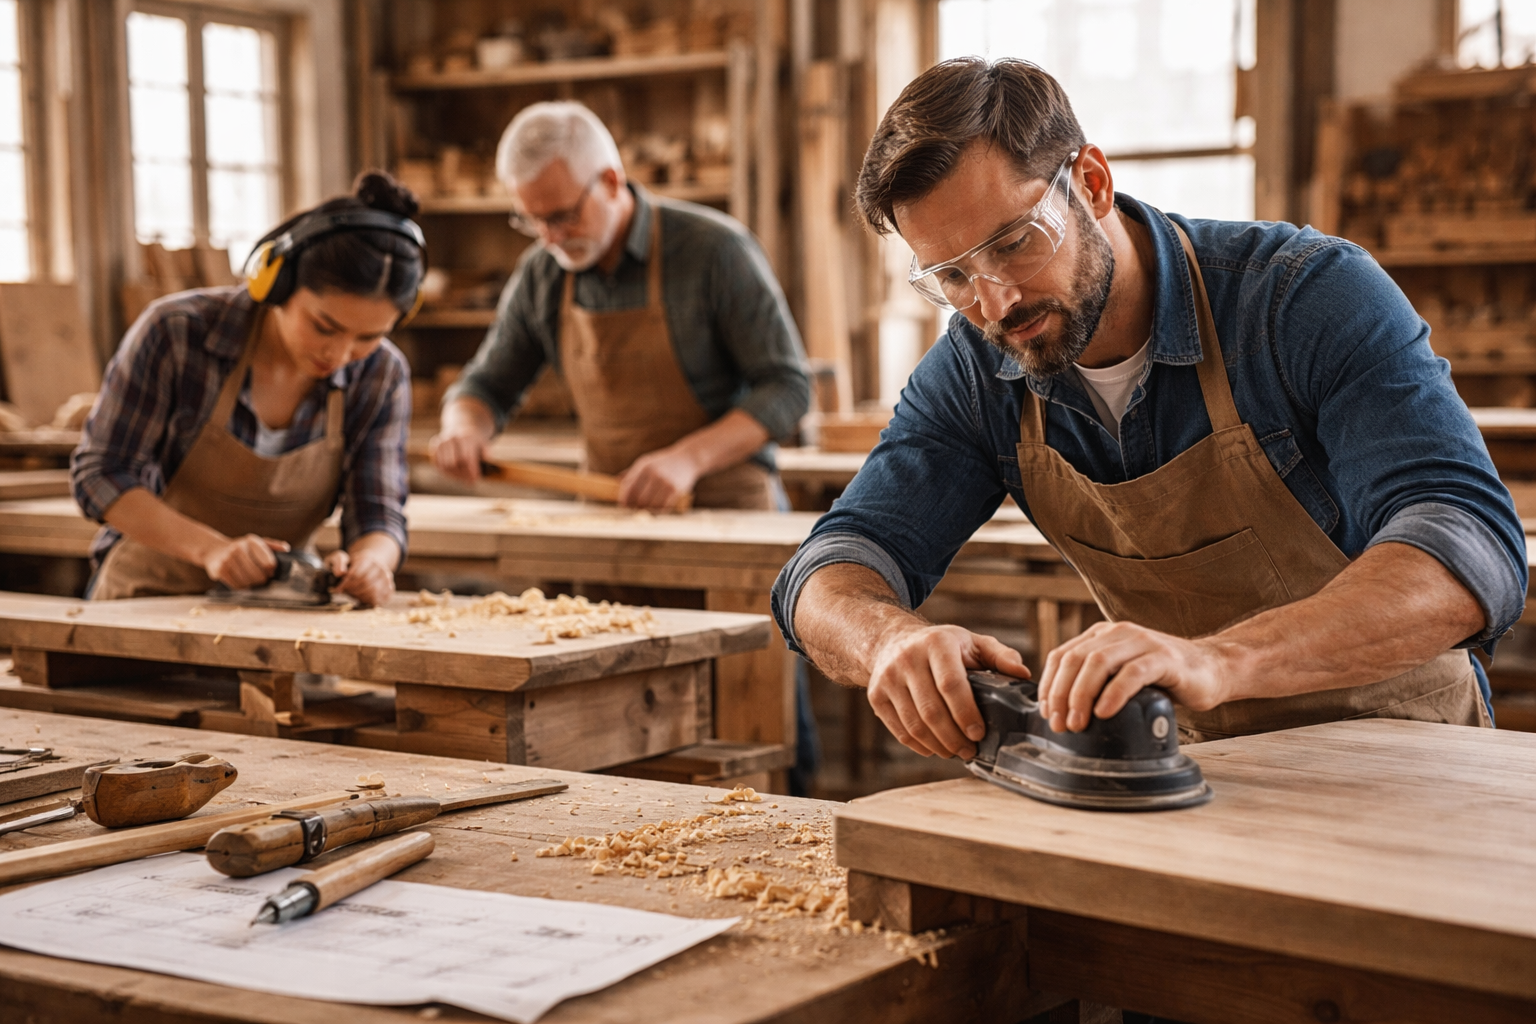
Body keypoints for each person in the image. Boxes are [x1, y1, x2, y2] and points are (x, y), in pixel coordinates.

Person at [772, 58, 1527, 764]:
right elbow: (828, 569)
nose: (994, 301)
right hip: (1195, 770)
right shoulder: (980, 369)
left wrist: (1217, 660)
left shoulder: (1303, 297)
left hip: (1407, 756)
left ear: (1092, 182)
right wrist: (887, 643)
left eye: (1014, 243)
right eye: (954, 276)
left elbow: (1468, 545)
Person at [430, 101, 810, 511]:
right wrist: (463, 429)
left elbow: (787, 387)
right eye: (531, 220)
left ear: (611, 182)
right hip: (608, 509)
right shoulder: (543, 273)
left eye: (562, 216)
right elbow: (486, 385)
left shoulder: (715, 251)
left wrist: (688, 459)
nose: (550, 238)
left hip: (724, 506)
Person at [72, 171, 423, 607]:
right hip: (147, 599)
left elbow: (378, 510)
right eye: (324, 326)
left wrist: (372, 563)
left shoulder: (381, 374)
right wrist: (212, 550)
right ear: (277, 281)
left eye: (368, 337)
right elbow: (100, 475)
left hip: (281, 609)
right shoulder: (177, 334)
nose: (339, 353)